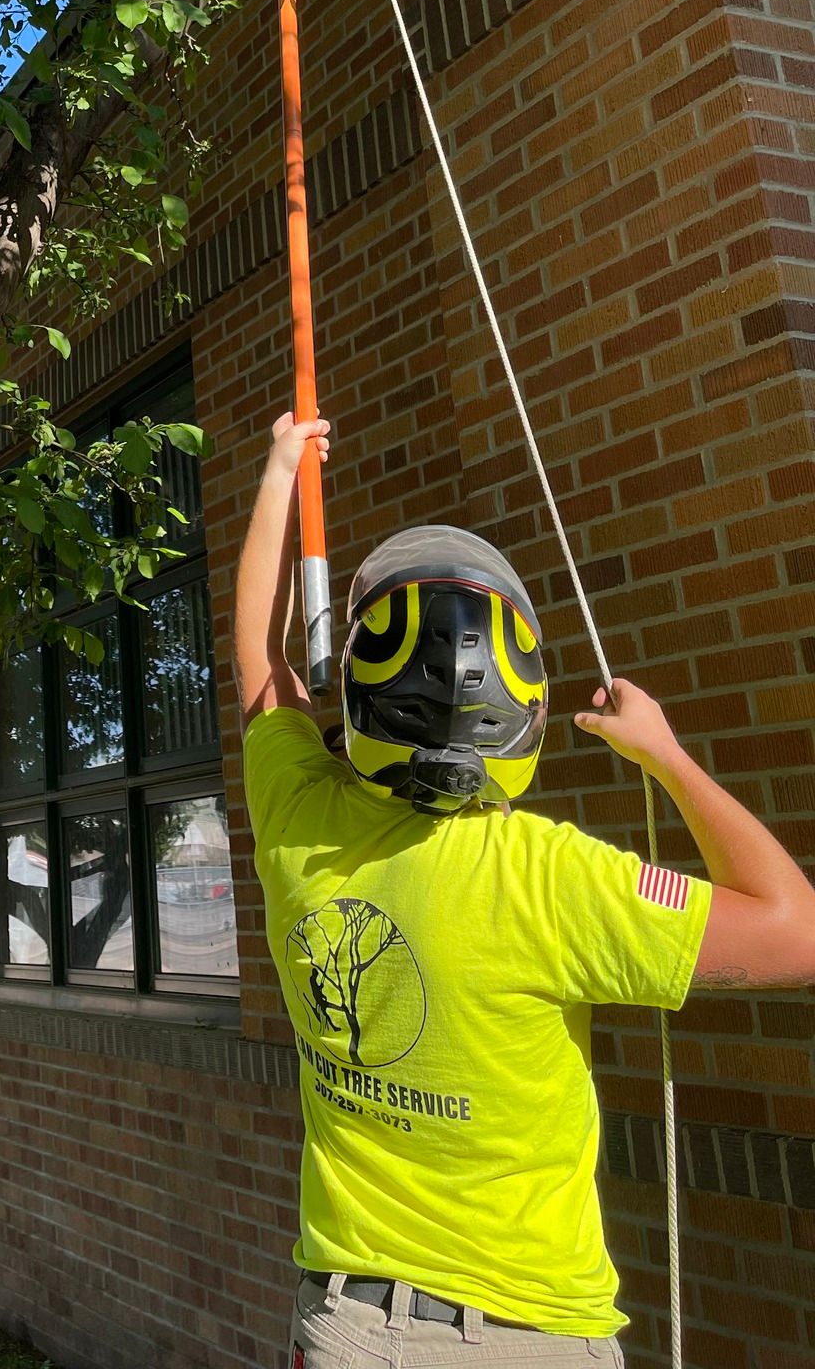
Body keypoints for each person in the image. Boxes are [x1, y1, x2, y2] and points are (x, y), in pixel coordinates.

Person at [237, 412, 815, 1366]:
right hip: (531, 1335)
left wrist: (278, 472)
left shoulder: (301, 821)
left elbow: (260, 666)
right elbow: (795, 934)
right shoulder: (556, 880)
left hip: (349, 1329)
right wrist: (665, 756)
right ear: (523, 707)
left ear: (362, 700)